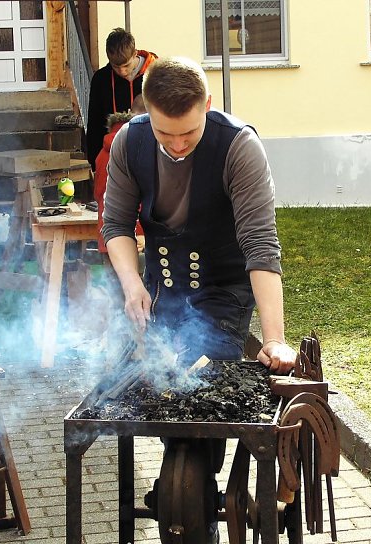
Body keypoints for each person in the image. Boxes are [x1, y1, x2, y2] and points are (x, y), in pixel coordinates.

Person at [102, 56, 296, 374]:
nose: (178, 145)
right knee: (155, 382)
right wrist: (132, 284)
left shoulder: (239, 146)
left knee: (206, 380)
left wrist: (274, 339)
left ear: (206, 104)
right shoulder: (129, 141)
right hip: (160, 288)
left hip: (224, 294)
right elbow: (117, 224)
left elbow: (259, 242)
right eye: (165, 133)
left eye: (189, 132)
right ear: (147, 110)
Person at [86, 28, 156, 171]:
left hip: (150, 154)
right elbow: (95, 122)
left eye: (126, 65)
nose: (122, 71)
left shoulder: (157, 73)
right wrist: (94, 162)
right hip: (113, 157)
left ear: (135, 54)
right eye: (116, 67)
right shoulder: (101, 79)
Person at [94, 94, 145, 257]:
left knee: (111, 283)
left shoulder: (105, 149)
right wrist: (140, 233)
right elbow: (135, 198)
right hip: (134, 240)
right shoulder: (136, 147)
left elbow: (98, 194)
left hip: (108, 236)